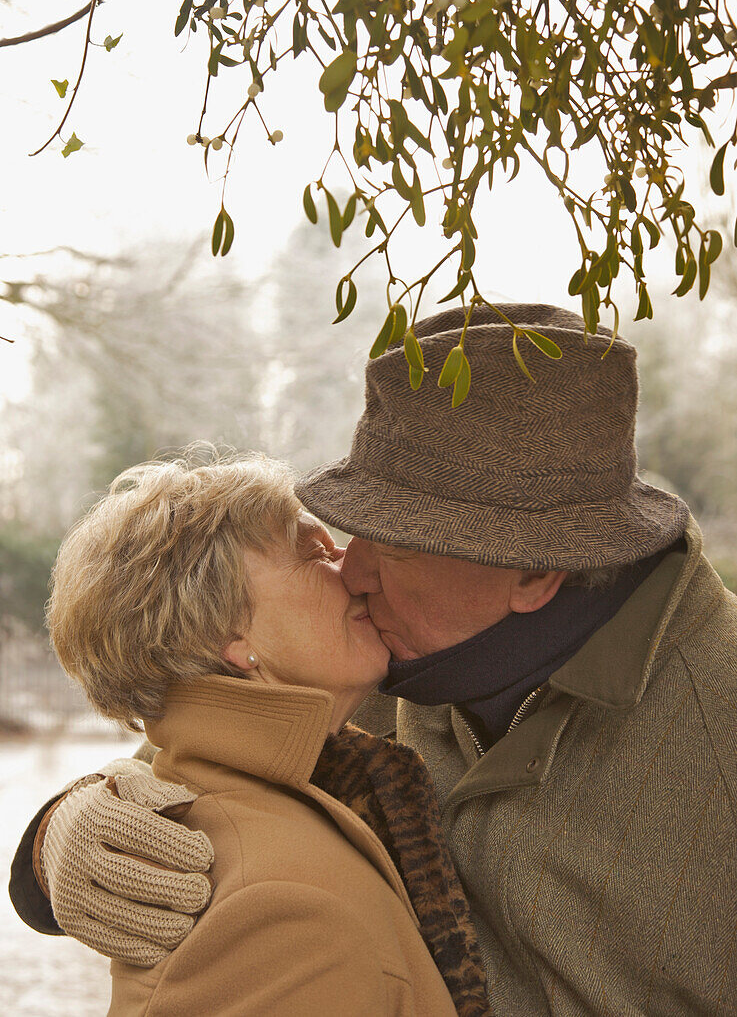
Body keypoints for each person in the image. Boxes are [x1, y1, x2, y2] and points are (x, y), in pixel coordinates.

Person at [10, 303, 737, 1015]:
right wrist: (57, 836)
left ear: (532, 573)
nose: (350, 573)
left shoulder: (719, 713)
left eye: (392, 544)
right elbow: (199, 750)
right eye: (346, 533)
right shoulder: (388, 657)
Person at [28, 449, 489, 1016]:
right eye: (313, 552)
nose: (350, 565)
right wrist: (54, 829)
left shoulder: (269, 786)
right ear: (230, 633)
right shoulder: (280, 910)